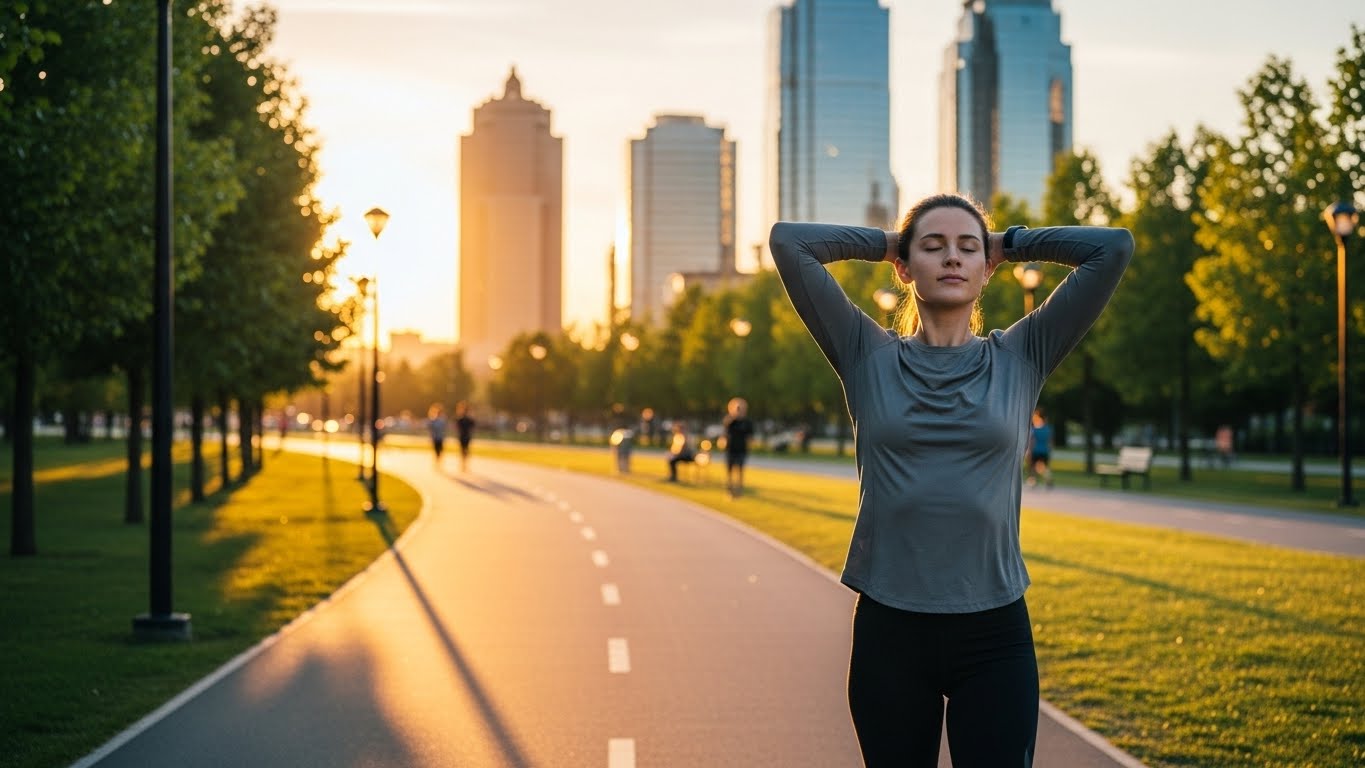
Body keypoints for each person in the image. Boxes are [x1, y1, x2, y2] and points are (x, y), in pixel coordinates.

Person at [770, 193, 1132, 767]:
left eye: (968, 248)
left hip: (994, 633)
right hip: (891, 629)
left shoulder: (1023, 355)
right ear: (907, 268)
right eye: (933, 248)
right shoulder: (865, 354)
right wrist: (889, 244)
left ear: (987, 270)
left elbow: (1112, 249)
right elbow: (791, 243)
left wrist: (1009, 243)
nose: (952, 259)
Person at [722, 397, 755, 497]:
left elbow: (750, 437)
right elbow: (725, 434)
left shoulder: (748, 422)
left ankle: (740, 489)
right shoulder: (730, 421)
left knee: (740, 470)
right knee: (730, 470)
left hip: (742, 449)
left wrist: (750, 445)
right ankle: (730, 488)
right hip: (730, 449)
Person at [1026, 407, 1054, 488]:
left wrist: (1029, 451)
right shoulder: (1048, 429)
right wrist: (1050, 451)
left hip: (1035, 450)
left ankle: (1032, 481)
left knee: (1032, 467)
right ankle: (1048, 479)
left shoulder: (1034, 429)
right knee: (1042, 467)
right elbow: (1050, 442)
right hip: (1045, 450)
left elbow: (1032, 442)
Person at [454, 401, 476, 472]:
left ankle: (465, 464)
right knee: (463, 450)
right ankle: (463, 464)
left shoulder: (469, 419)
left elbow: (473, 426)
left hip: (467, 437)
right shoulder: (460, 419)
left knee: (466, 451)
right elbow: (456, 427)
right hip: (462, 436)